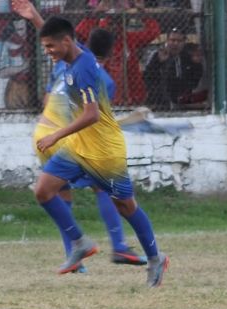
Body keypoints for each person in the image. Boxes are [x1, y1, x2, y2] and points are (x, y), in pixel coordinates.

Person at [31, 14, 170, 286]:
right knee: (44, 191)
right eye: (44, 46)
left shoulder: (84, 68)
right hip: (78, 147)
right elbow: (56, 33)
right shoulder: (69, 57)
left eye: (50, 47)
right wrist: (35, 17)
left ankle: (155, 258)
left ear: (67, 42)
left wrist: (56, 135)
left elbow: (92, 115)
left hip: (104, 151)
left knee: (126, 206)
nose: (47, 52)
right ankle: (80, 242)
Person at [12, 0, 146, 271]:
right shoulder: (102, 78)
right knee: (103, 188)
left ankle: (74, 256)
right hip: (66, 138)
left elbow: (52, 39)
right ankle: (119, 246)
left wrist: (35, 15)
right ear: (110, 54)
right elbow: (94, 119)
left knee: (59, 195)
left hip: (42, 134)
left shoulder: (64, 64)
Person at [75, 0, 161, 105]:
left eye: (118, 23)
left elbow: (153, 32)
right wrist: (96, 13)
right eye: (111, 23)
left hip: (129, 95)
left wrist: (143, 13)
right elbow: (80, 32)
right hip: (102, 95)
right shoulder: (98, 39)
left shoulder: (129, 39)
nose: (114, 27)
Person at [143, 28, 204, 110]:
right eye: (172, 40)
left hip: (182, 95)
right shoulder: (157, 54)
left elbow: (195, 79)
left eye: (179, 41)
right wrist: (158, 62)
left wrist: (196, 64)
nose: (175, 43)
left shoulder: (187, 56)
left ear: (184, 42)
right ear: (167, 41)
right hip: (159, 97)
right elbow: (148, 77)